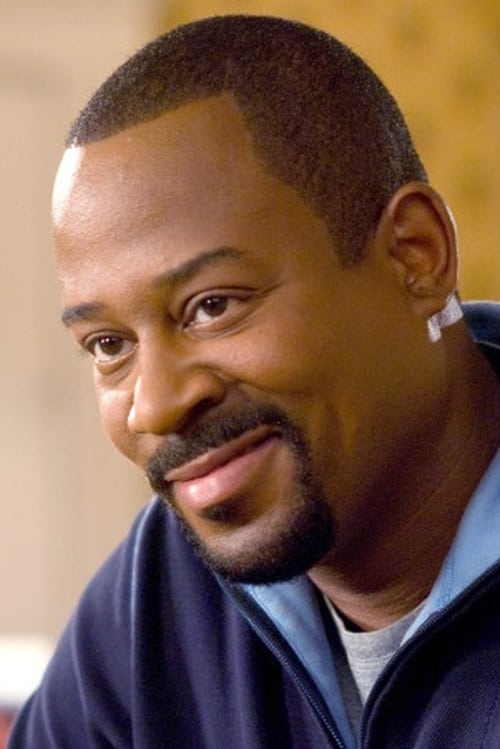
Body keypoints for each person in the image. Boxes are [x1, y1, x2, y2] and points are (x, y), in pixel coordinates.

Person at [8, 14, 500, 749]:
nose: (155, 405)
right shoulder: (158, 595)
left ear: (415, 255)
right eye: (109, 345)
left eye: (213, 306)